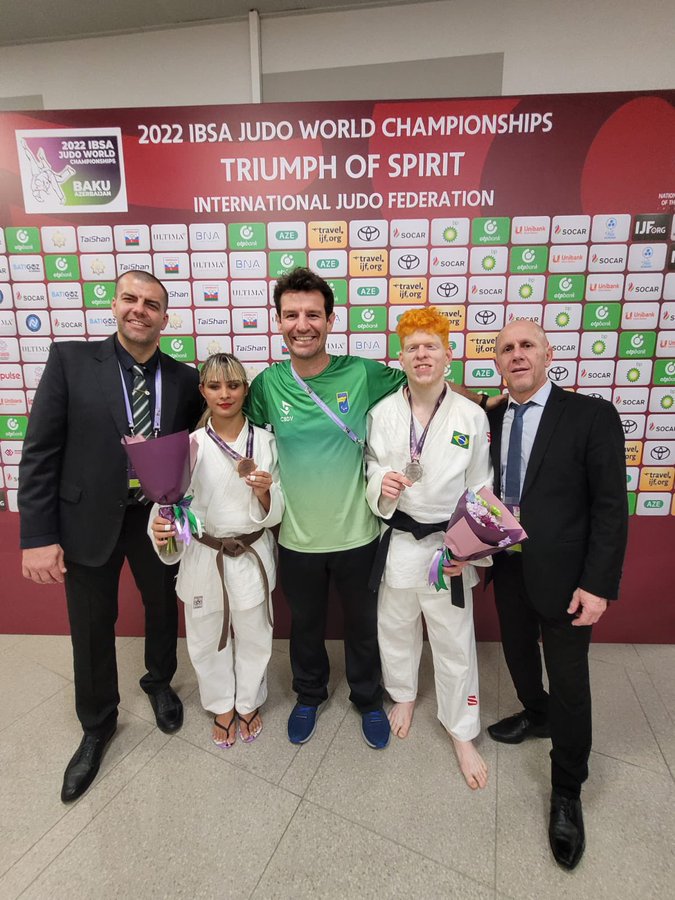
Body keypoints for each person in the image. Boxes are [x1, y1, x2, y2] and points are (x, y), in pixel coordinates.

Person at [246, 267, 494, 750]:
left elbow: (425, 383)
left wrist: (484, 401)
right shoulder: (267, 385)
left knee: (364, 627)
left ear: (330, 320)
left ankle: (367, 698)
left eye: (313, 314)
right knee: (306, 626)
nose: (303, 324)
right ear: (278, 322)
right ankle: (308, 694)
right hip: (297, 536)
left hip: (360, 535)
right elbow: (236, 428)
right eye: (292, 314)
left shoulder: (361, 372)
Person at [18, 270, 203, 803]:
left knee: (163, 608)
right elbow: (39, 452)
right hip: (86, 519)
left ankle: (159, 682)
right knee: (92, 625)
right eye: (130, 299)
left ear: (165, 318)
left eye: (152, 304)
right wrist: (38, 534)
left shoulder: (186, 379)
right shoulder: (71, 362)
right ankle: (97, 724)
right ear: (115, 305)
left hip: (156, 518)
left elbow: (196, 451)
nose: (139, 310)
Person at [486, 320, 628, 869]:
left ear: (548, 354)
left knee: (570, 680)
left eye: (527, 346)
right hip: (509, 566)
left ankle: (567, 789)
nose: (517, 355)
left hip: (569, 578)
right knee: (519, 656)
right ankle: (533, 712)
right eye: (506, 349)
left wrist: (598, 585)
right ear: (496, 363)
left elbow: (610, 508)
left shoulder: (591, 415)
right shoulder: (491, 416)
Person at [365, 307, 492, 789]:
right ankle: (403, 694)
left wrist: (470, 548)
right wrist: (382, 482)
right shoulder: (382, 413)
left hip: (449, 544)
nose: (422, 355)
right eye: (413, 347)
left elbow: (482, 487)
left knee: (454, 638)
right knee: (394, 626)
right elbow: (371, 465)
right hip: (398, 537)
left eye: (431, 346)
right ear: (400, 357)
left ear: (448, 356)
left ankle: (461, 729)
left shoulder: (471, 416)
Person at [149, 353, 283, 747]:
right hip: (206, 555)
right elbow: (168, 505)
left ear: (246, 389)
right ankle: (222, 704)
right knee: (207, 638)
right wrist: (162, 529)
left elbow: (279, 506)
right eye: (215, 386)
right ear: (202, 391)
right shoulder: (186, 446)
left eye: (234, 385)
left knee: (256, 635)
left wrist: (264, 494)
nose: (225, 394)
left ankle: (248, 701)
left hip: (251, 550)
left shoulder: (267, 441)